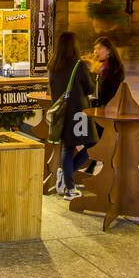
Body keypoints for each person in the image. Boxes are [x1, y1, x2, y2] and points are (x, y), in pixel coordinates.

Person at [48, 31, 95, 199]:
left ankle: (66, 178)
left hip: (61, 114)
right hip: (78, 114)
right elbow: (89, 89)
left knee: (67, 148)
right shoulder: (79, 65)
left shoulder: (53, 65)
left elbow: (53, 91)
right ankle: (69, 185)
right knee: (93, 144)